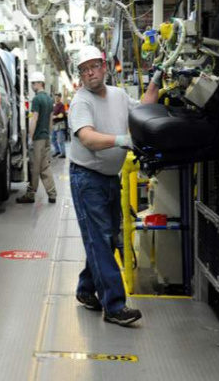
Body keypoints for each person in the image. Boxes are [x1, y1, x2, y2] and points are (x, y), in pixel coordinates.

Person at [69, 45, 160, 326]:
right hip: (87, 179)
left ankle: (86, 289)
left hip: (110, 178)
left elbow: (143, 110)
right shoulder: (81, 101)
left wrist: (157, 79)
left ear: (104, 67)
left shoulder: (119, 96)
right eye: (84, 70)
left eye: (94, 66)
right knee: (99, 239)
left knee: (104, 239)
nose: (90, 73)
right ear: (81, 76)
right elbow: (87, 138)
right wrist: (121, 140)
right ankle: (114, 306)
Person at [17, 71, 57, 204]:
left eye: (33, 83)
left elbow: (34, 119)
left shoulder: (37, 99)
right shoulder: (50, 99)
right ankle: (52, 194)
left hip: (38, 138)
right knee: (45, 166)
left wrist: (30, 135)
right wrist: (49, 134)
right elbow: (51, 120)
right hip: (46, 137)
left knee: (35, 166)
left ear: (39, 83)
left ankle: (30, 194)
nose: (32, 86)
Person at [51, 93, 67, 158]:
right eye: (55, 97)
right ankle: (57, 151)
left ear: (60, 98)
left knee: (60, 140)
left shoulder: (61, 105)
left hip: (60, 125)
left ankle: (63, 154)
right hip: (55, 125)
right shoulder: (54, 105)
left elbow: (62, 115)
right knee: (53, 139)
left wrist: (55, 116)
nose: (56, 98)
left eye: (58, 97)